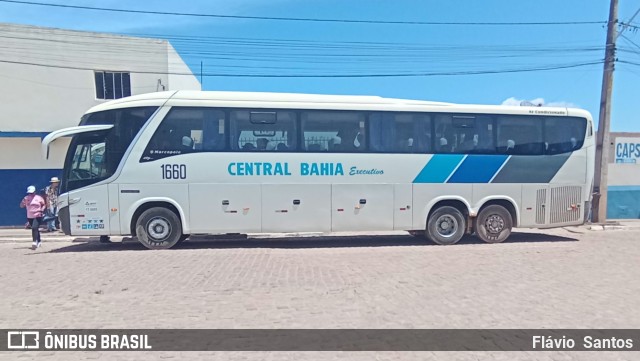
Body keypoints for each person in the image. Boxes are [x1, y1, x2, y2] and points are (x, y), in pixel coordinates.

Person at [20, 185, 46, 250]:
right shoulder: (26, 198)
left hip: (37, 215)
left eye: (32, 193)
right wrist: (23, 202)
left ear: (35, 192)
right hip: (29, 216)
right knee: (35, 229)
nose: (31, 194)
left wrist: (42, 210)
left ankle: (34, 242)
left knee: (34, 227)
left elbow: (44, 204)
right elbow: (21, 206)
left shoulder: (39, 198)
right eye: (30, 193)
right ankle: (39, 241)